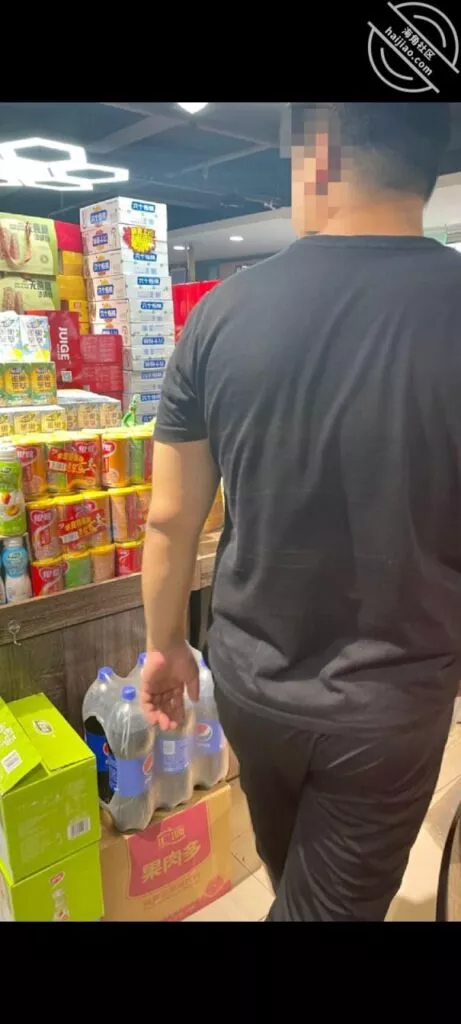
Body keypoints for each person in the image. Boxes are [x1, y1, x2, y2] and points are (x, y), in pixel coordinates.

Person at [141, 102, 460, 921]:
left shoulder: (220, 313)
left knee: (296, 881)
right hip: (392, 701)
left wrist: (165, 645)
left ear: (317, 157)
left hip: (249, 684)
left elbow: (169, 518)